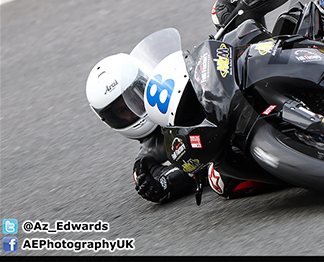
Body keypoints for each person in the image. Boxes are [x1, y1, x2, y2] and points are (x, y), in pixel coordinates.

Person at [86, 53, 272, 203]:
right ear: (110, 121)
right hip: (238, 147)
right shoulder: (146, 162)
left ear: (144, 82)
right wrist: (165, 184)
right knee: (220, 181)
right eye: (121, 111)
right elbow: (158, 185)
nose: (132, 111)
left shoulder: (175, 79)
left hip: (239, 100)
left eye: (134, 98)